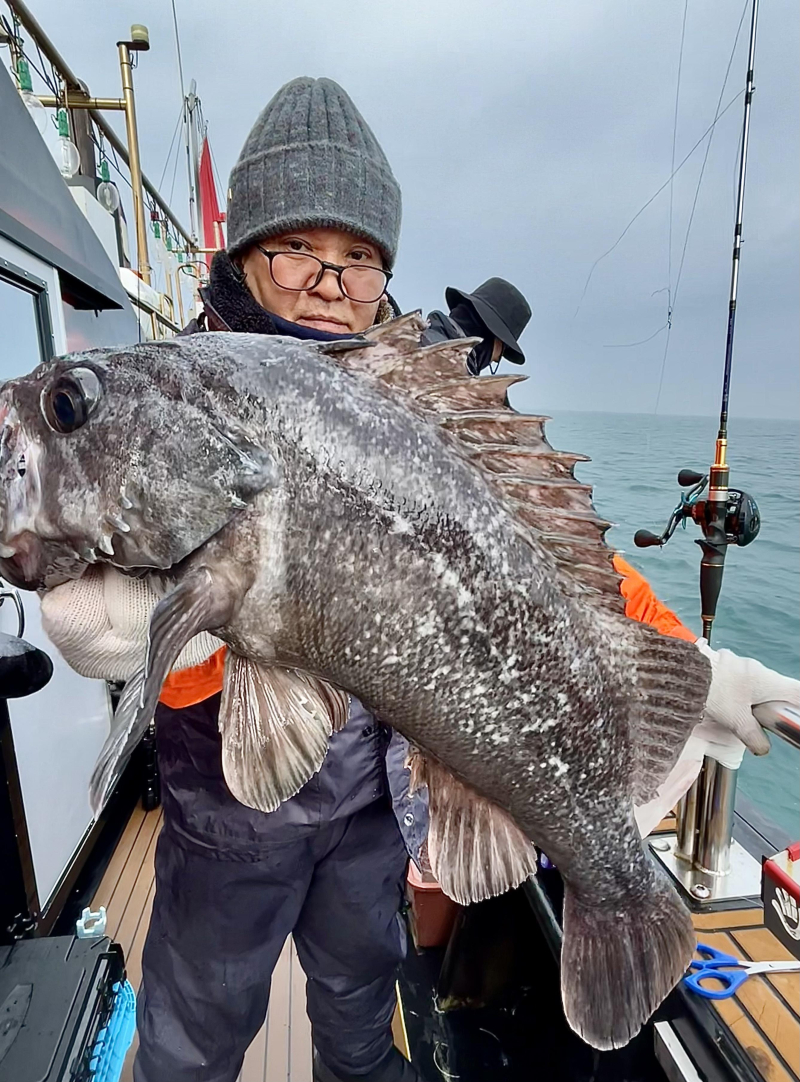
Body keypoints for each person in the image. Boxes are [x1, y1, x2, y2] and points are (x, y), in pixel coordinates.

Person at [39, 76, 799, 1082]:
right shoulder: (167, 388)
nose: (327, 276)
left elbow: (549, 561)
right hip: (229, 814)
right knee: (197, 1025)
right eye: (297, 245)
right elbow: (117, 598)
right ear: (242, 252)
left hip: (367, 805)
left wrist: (694, 667)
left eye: (357, 256)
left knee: (361, 999)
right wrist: (150, 622)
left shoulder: (421, 395)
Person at [424, 277, 531, 374]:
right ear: (497, 338)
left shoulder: (415, 338)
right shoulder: (455, 378)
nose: (496, 360)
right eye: (502, 351)